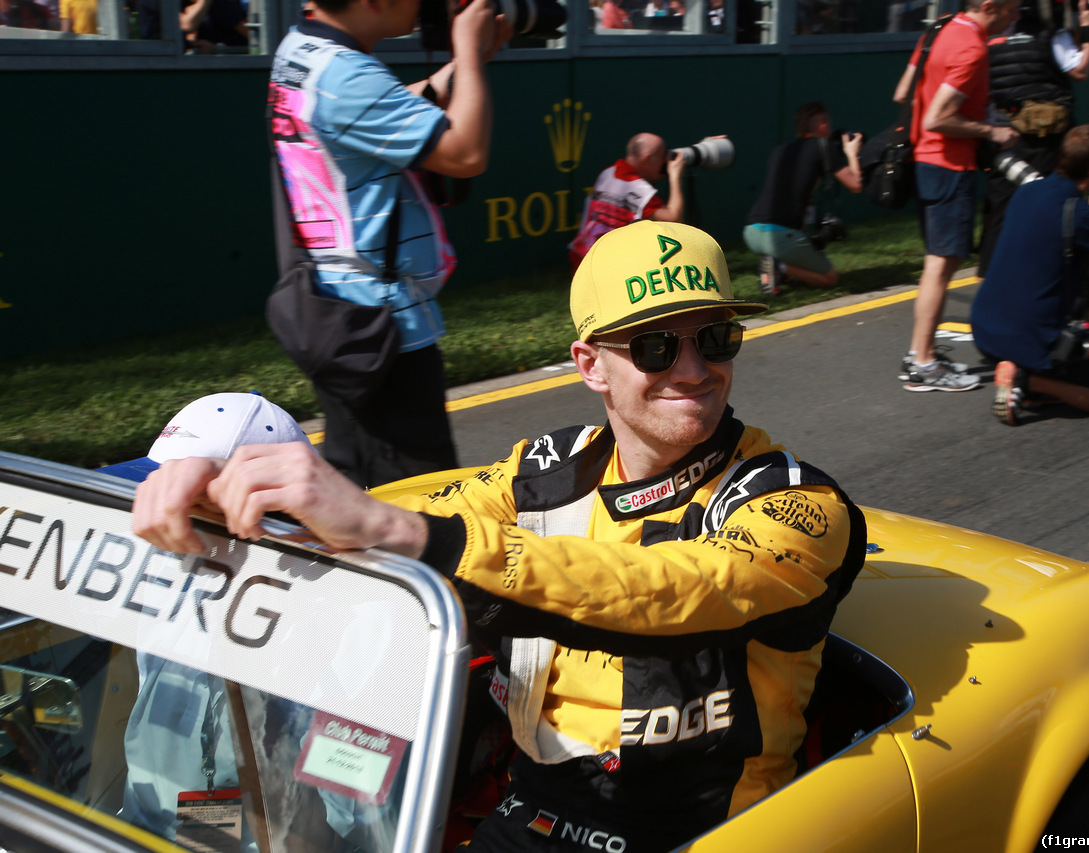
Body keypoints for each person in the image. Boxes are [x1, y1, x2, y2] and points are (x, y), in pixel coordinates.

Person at [131, 221, 866, 853]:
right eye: (654, 347)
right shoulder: (543, 471)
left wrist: (397, 529)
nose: (696, 369)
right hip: (534, 812)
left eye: (715, 336)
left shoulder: (794, 501)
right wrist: (217, 462)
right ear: (590, 366)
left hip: (708, 829)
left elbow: (672, 593)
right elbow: (405, 512)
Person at [268, 0, 511, 490]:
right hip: (383, 328)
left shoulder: (304, 52)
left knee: (359, 479)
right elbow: (465, 153)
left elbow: (383, 107)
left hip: (342, 314)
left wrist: (466, 64)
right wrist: (464, 46)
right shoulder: (345, 74)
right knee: (420, 499)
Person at [100, 393, 311, 851]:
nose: (154, 513)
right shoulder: (159, 561)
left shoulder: (319, 622)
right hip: (141, 826)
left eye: (185, 497)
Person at [971, 125, 1089, 425]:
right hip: (1030, 337)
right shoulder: (1075, 212)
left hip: (984, 327)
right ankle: (1026, 379)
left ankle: (1024, 374)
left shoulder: (1027, 192)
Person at [891, 0, 1021, 391]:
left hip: (926, 161)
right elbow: (938, 117)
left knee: (938, 263)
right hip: (949, 166)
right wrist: (991, 131)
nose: (1015, 16)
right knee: (941, 266)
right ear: (989, 5)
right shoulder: (972, 47)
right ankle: (925, 362)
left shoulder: (939, 28)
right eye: (1012, 7)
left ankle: (921, 353)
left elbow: (903, 93)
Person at [978, 0, 1089, 276]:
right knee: (1049, 202)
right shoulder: (1052, 35)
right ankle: (1045, 270)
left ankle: (993, 274)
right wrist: (1088, 32)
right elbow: (1079, 70)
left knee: (1002, 206)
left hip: (1001, 134)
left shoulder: (989, 36)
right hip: (1045, 139)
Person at [742, 102, 863, 295]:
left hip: (751, 233)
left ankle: (778, 270)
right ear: (823, 126)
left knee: (797, 245)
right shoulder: (823, 146)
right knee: (831, 278)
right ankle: (779, 267)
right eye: (828, 125)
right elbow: (856, 184)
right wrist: (851, 153)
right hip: (779, 237)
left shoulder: (779, 151)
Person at [567, 133, 686, 271]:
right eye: (663, 155)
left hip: (582, 253)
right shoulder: (639, 189)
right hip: (608, 263)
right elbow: (675, 221)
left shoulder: (607, 173)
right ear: (647, 159)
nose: (666, 161)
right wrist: (675, 176)